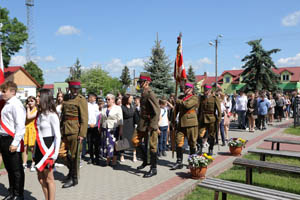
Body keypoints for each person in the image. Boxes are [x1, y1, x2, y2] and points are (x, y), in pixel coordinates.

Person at [59, 80, 88, 188]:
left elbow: (84, 119)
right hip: (65, 129)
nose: (76, 90)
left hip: (75, 131)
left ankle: (74, 178)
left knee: (75, 156)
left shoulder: (81, 100)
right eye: (74, 88)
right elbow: (63, 114)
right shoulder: (66, 98)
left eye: (77, 89)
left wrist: (82, 134)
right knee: (61, 152)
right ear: (70, 88)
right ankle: (72, 171)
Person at [0, 81, 26, 200]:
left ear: (13, 92)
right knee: (9, 168)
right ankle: (11, 192)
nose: (2, 93)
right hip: (3, 139)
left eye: (4, 91)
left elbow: (20, 125)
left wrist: (15, 143)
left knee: (16, 169)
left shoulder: (16, 104)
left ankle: (18, 194)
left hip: (12, 139)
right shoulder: (7, 103)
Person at [132, 72, 160, 178]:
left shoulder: (150, 93)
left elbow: (156, 110)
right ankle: (145, 160)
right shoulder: (143, 92)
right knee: (135, 140)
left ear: (147, 82)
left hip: (150, 123)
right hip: (142, 122)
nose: (140, 83)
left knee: (152, 146)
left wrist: (153, 125)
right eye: (140, 81)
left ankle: (153, 168)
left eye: (141, 82)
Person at [34, 89, 61, 200]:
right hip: (39, 147)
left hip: (48, 147)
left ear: (45, 98)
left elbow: (58, 136)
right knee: (40, 178)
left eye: (39, 96)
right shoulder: (39, 114)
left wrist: (55, 154)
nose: (37, 98)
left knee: (49, 178)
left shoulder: (52, 115)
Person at [171, 82, 198, 170]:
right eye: (184, 88)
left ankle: (192, 162)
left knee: (192, 143)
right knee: (179, 142)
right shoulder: (181, 98)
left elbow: (187, 105)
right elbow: (176, 110)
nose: (184, 89)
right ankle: (179, 162)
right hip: (181, 123)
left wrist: (177, 101)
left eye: (186, 88)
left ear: (191, 89)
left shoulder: (194, 98)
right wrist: (173, 120)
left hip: (191, 123)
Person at [198, 84, 221, 156]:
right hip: (202, 119)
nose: (205, 91)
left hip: (212, 119)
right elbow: (199, 109)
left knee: (212, 135)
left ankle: (211, 148)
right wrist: (198, 118)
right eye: (205, 90)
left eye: (207, 90)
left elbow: (219, 110)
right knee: (199, 134)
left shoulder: (215, 98)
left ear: (210, 90)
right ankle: (200, 148)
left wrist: (219, 119)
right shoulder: (201, 98)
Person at [100, 94, 123, 166]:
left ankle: (114, 160)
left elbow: (120, 120)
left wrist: (121, 130)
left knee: (114, 145)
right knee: (106, 144)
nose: (107, 101)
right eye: (106, 99)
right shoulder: (104, 107)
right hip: (105, 128)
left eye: (109, 99)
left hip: (114, 129)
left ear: (113, 100)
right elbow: (102, 118)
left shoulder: (117, 108)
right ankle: (107, 159)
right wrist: (100, 127)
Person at [23, 96, 38, 172]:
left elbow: (29, 117)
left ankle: (33, 162)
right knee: (25, 147)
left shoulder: (36, 110)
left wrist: (28, 109)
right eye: (28, 101)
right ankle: (24, 163)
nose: (30, 102)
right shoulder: (25, 110)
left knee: (32, 148)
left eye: (32, 101)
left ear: (35, 102)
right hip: (26, 129)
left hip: (33, 130)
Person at [121, 94, 136, 162]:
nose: (132, 100)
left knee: (133, 140)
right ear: (127, 99)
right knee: (123, 140)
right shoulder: (122, 107)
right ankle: (122, 155)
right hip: (124, 125)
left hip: (132, 125)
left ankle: (134, 155)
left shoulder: (132, 106)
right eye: (130, 98)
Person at [87, 93, 101, 165]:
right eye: (93, 97)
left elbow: (98, 116)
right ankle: (91, 157)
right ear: (89, 98)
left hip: (95, 127)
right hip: (89, 127)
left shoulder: (96, 106)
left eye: (95, 98)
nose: (94, 99)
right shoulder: (86, 105)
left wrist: (97, 125)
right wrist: (89, 124)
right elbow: (85, 116)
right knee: (90, 143)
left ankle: (97, 158)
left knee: (96, 143)